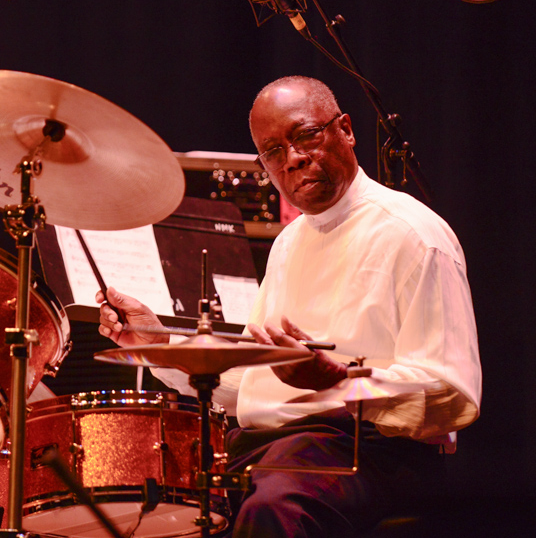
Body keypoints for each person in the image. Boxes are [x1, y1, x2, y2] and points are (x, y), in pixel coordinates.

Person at [98, 76, 482, 536]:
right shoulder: (289, 242)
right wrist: (158, 342)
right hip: (265, 446)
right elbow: (252, 389)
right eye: (273, 153)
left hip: (366, 448)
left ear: (346, 129)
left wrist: (340, 382)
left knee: (274, 507)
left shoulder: (413, 234)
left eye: (304, 136)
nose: (294, 159)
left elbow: (453, 393)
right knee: (141, 498)